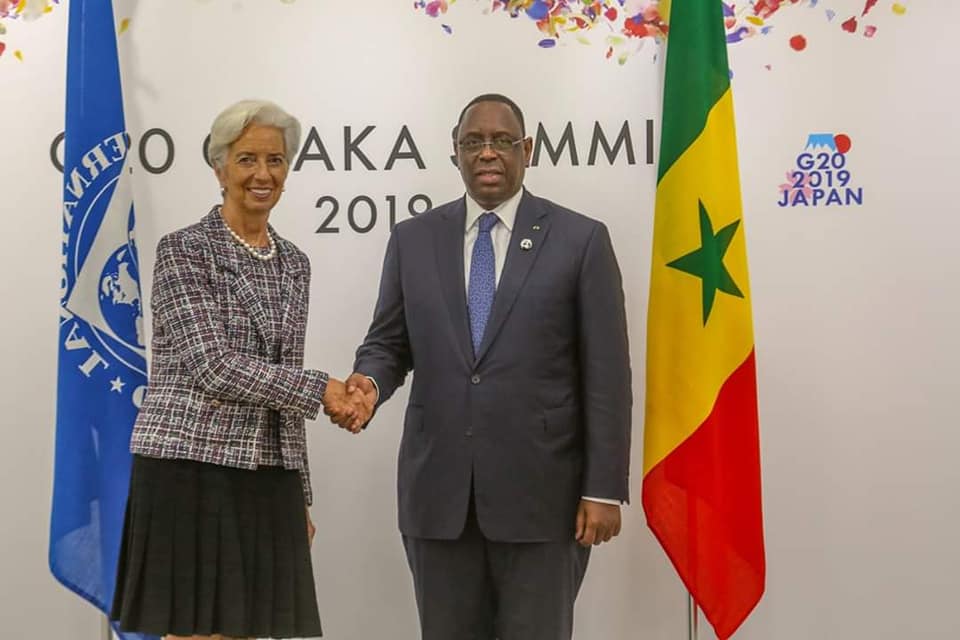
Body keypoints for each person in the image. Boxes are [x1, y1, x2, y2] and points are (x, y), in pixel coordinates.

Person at [333, 93, 632, 640]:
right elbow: (388, 343)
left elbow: (607, 376)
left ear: (527, 150)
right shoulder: (413, 239)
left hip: (544, 502)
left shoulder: (580, 240)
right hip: (438, 499)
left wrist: (604, 488)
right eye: (473, 142)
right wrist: (369, 383)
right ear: (455, 153)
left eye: (501, 141)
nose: (487, 152)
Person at [110, 99, 371, 640]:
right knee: (193, 634)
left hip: (267, 476)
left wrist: (298, 493)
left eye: (275, 160)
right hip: (189, 469)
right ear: (220, 167)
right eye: (247, 158)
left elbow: (281, 384)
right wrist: (322, 388)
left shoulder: (295, 263)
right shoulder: (184, 251)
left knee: (252, 631)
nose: (262, 174)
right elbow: (213, 368)